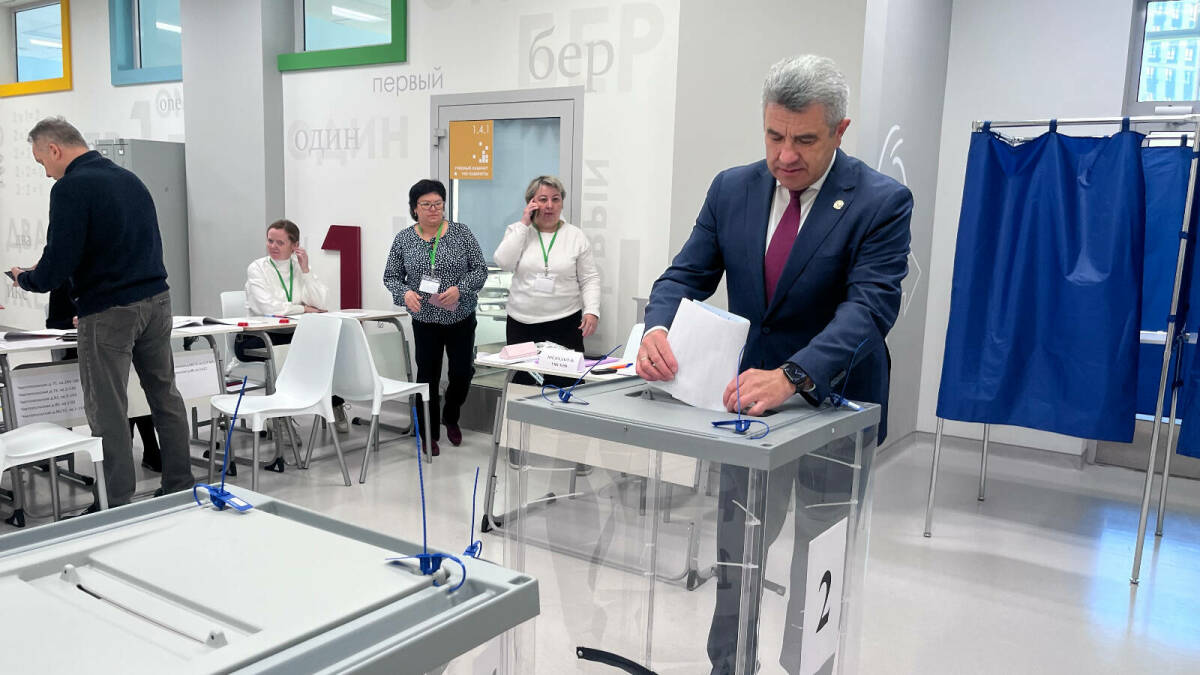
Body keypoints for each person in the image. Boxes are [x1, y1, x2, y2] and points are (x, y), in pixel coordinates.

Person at [636, 56, 912, 674]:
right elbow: (685, 275)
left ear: (840, 131)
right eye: (773, 135)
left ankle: (806, 666)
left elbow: (868, 310)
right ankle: (730, 667)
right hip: (747, 412)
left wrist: (792, 375)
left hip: (832, 412)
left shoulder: (880, 202)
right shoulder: (732, 189)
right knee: (738, 557)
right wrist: (656, 328)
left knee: (819, 561)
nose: (785, 155)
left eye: (805, 140)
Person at [11, 116, 195, 510]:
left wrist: (25, 279)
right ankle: (180, 484)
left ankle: (115, 501)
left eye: (42, 162)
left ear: (55, 149)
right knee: (165, 397)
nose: (46, 173)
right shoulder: (129, 179)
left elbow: (58, 264)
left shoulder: (70, 187)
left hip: (109, 310)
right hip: (157, 300)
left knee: (108, 410)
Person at [384, 179, 488, 456]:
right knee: (427, 375)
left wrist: (460, 289)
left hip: (460, 316)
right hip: (425, 319)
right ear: (414, 208)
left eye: (438, 204)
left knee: (461, 373)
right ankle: (428, 431)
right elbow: (391, 277)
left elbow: (480, 269)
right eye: (426, 204)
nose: (433, 209)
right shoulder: (404, 239)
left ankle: (450, 415)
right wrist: (405, 293)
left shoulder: (461, 233)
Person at [238, 219, 348, 438]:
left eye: (280, 242)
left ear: (294, 245)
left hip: (292, 335)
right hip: (258, 338)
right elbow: (268, 308)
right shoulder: (257, 268)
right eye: (270, 241)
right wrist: (303, 308)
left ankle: (333, 402)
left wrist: (306, 270)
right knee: (298, 350)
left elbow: (320, 303)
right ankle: (279, 418)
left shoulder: (298, 267)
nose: (273, 246)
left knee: (327, 345)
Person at [493, 175, 600, 386]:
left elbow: (589, 278)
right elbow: (503, 262)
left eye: (556, 199)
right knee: (523, 385)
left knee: (564, 384)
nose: (550, 205)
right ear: (531, 203)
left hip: (564, 323)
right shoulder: (518, 231)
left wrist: (592, 311)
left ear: (562, 203)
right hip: (521, 323)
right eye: (543, 199)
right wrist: (525, 223)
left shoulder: (575, 236)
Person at [47, 284, 162, 472]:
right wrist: (76, 321)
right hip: (80, 352)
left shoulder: (103, 278)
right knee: (125, 386)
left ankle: (146, 448)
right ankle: (139, 449)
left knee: (134, 385)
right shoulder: (60, 284)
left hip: (115, 345)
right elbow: (53, 324)